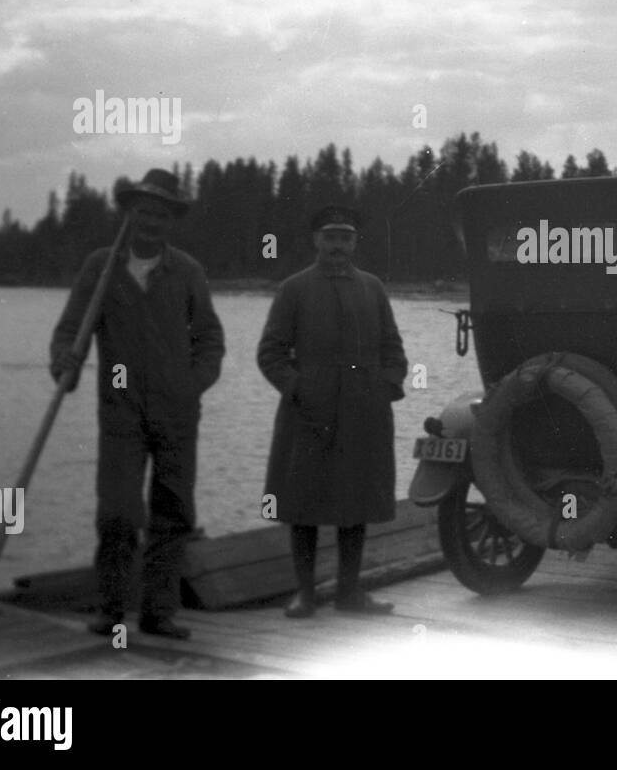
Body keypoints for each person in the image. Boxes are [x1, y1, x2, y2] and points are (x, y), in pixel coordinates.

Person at [50, 168, 225, 639]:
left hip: (177, 415)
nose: (151, 222)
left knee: (173, 514)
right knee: (118, 513)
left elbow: (209, 339)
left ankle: (159, 613)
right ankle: (111, 610)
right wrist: (64, 364)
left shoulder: (186, 271)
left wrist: (193, 384)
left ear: (171, 221)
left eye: (161, 214)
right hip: (120, 412)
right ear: (128, 215)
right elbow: (71, 331)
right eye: (143, 212)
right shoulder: (100, 268)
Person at [257, 204, 408, 618]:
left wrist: (387, 385)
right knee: (302, 505)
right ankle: (305, 594)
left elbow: (393, 348)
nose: (338, 245)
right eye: (330, 236)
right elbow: (270, 353)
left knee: (354, 504)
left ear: (355, 242)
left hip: (364, 414)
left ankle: (349, 594)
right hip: (308, 415)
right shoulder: (293, 289)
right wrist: (298, 388)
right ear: (316, 241)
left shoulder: (373, 288)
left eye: (345, 236)